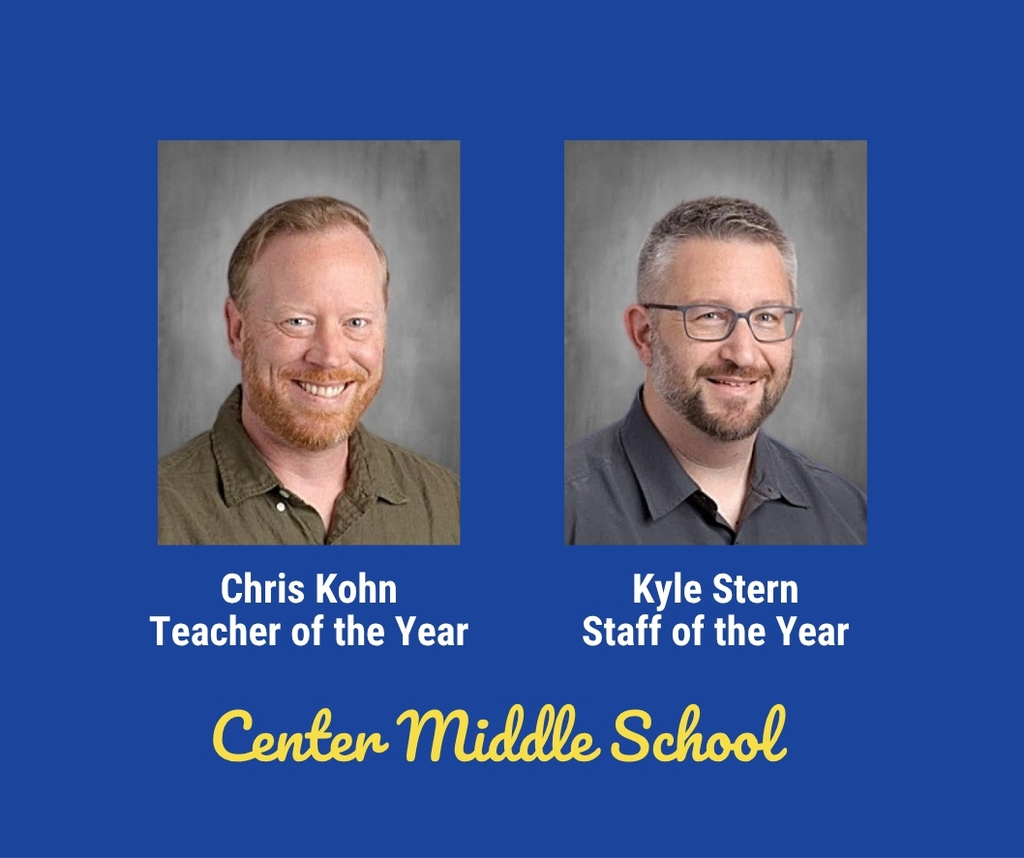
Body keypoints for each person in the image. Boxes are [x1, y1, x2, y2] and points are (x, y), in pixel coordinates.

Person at [565, 196, 866, 545]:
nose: (743, 354)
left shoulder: (852, 519)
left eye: (766, 317)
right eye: (709, 316)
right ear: (644, 334)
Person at [159, 196, 459, 545]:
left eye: (356, 322)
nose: (330, 357)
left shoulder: (449, 508)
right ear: (237, 330)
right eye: (297, 322)